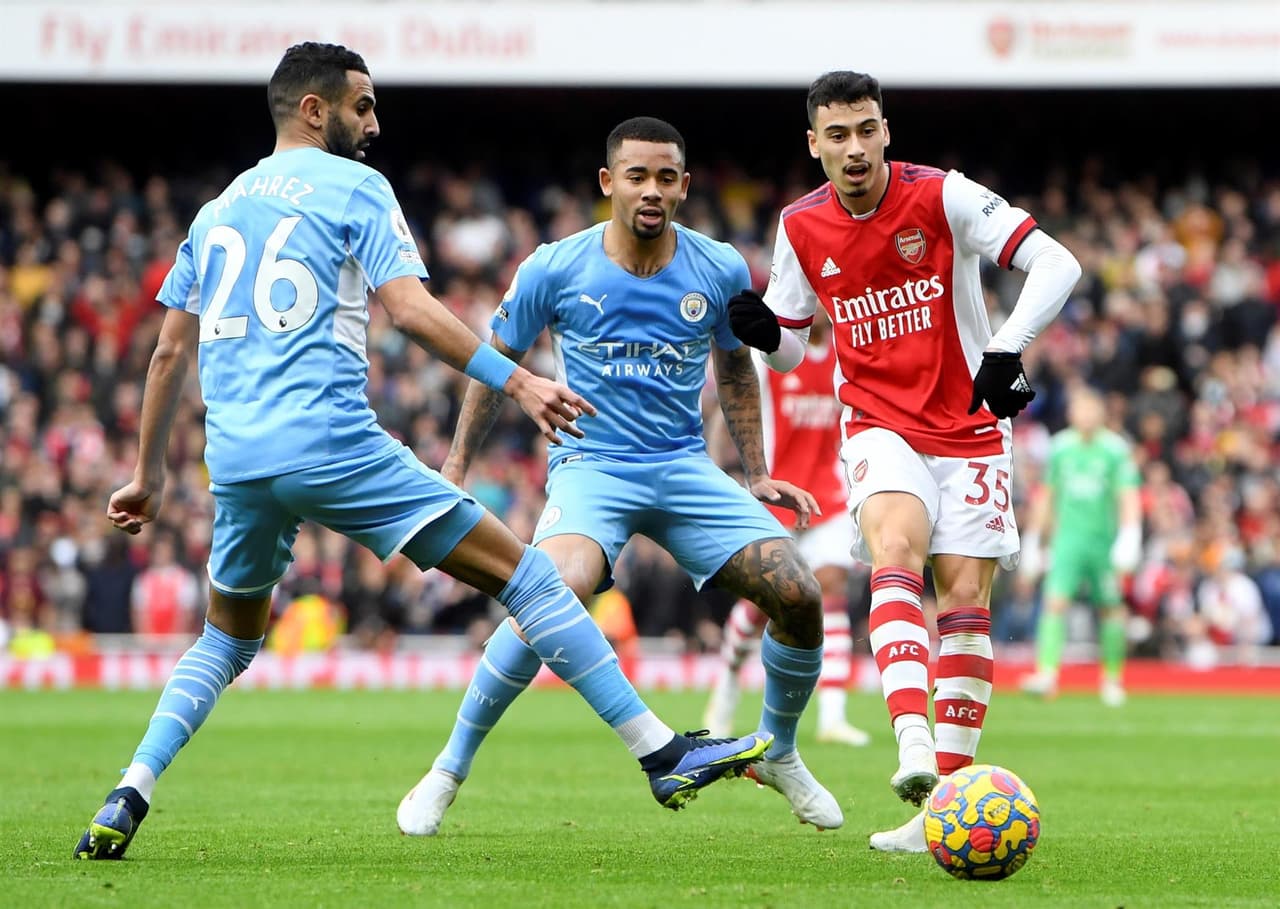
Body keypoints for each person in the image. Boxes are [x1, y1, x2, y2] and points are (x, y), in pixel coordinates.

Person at [73, 44, 770, 861]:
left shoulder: (217, 209)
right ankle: (661, 751)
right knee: (532, 576)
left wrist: (149, 473)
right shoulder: (358, 187)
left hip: (235, 457)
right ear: (313, 110)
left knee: (225, 637)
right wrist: (515, 382)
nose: (375, 123)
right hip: (331, 442)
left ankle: (130, 788)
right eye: (362, 106)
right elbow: (407, 308)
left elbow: (165, 355)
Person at [397, 116, 842, 838]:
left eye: (667, 177)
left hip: (683, 466)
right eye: (637, 175)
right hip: (592, 468)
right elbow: (493, 364)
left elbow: (734, 364)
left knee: (797, 590)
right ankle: (448, 766)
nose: (652, 190)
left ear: (685, 186)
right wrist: (453, 467)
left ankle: (781, 752)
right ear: (609, 183)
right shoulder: (554, 267)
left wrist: (756, 472)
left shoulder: (719, 266)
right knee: (548, 588)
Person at [727, 71, 1082, 853]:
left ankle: (939, 813)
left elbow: (1058, 264)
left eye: (866, 129)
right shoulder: (800, 226)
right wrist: (764, 330)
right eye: (837, 135)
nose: (854, 149)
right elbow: (790, 351)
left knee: (962, 597)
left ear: (886, 129)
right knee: (894, 548)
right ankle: (912, 738)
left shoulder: (944, 196)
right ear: (813, 143)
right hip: (877, 420)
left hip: (970, 424)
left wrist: (1004, 348)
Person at [703, 311, 872, 747]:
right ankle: (727, 686)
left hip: (828, 498)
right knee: (764, 603)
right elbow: (732, 401)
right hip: (774, 495)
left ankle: (832, 715)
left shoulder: (845, 355)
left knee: (831, 589)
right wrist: (721, 462)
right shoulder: (767, 357)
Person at [1019, 385, 1143, 705]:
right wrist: (1035, 539)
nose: (1086, 415)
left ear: (1101, 413)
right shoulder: (1060, 448)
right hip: (1067, 541)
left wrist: (1130, 535)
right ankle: (1047, 674)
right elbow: (1046, 496)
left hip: (1103, 542)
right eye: (1080, 408)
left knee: (1111, 607)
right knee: (1055, 603)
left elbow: (1127, 495)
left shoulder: (1116, 450)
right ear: (1072, 413)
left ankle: (1112, 679)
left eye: (1091, 409)